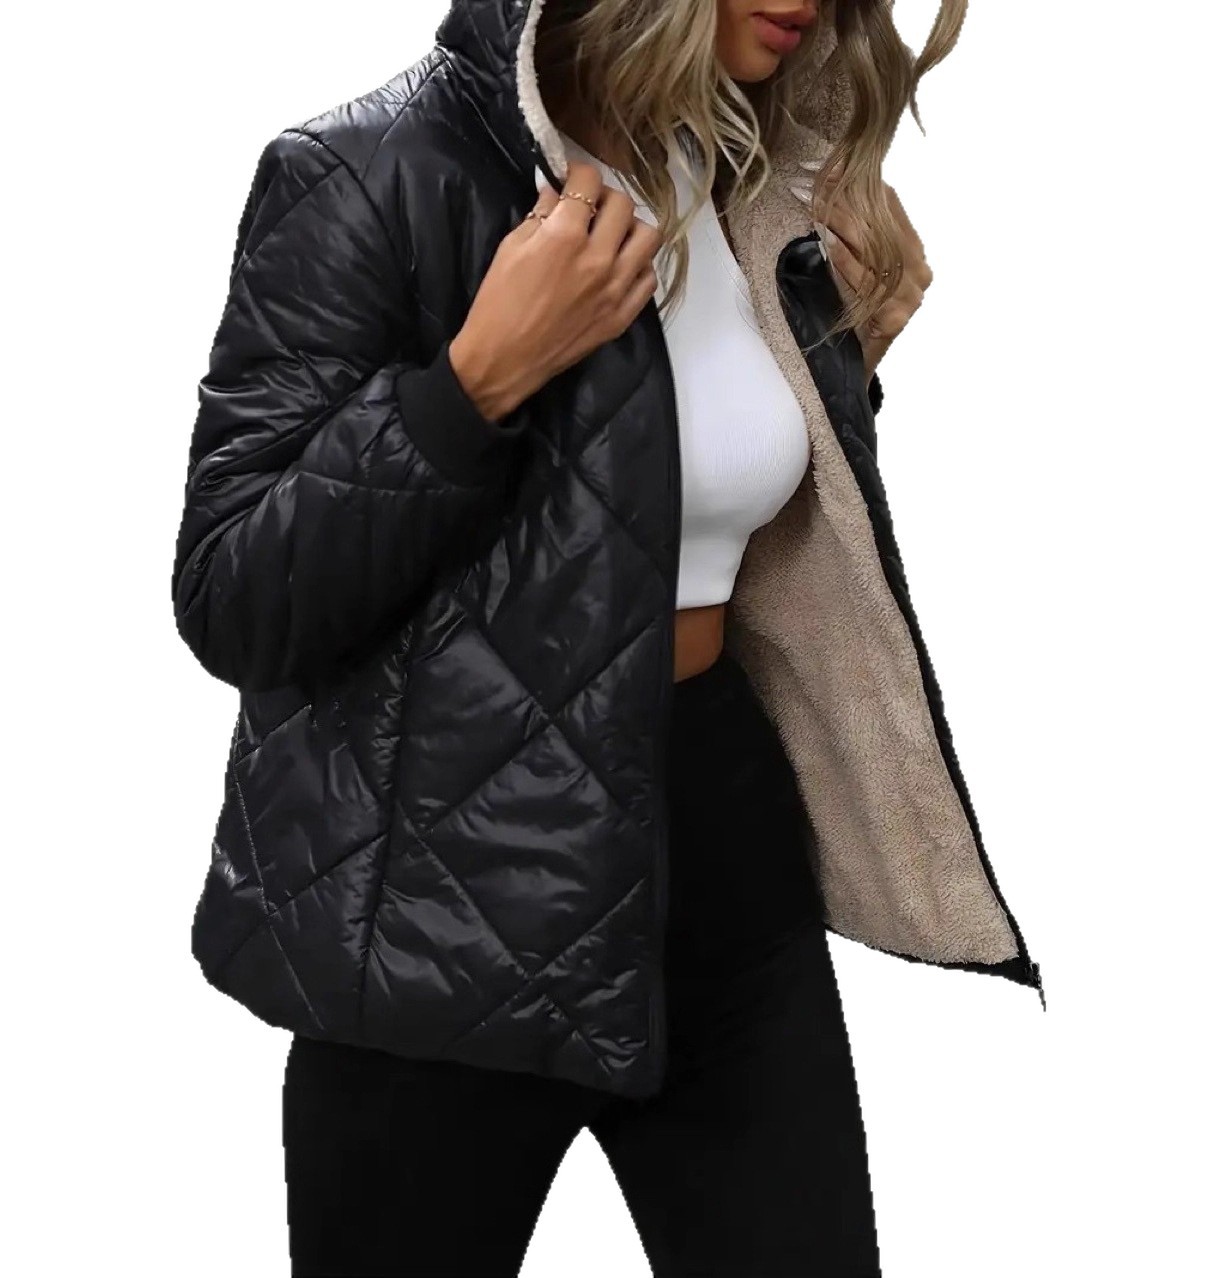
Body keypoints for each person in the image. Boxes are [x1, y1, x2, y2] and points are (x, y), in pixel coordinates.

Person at [171, 1, 1043, 1273]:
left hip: (723, 854)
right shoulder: (368, 174)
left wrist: (844, 368)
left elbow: (684, 515)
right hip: (439, 910)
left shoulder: (743, 177)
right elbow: (235, 596)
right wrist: (470, 387)